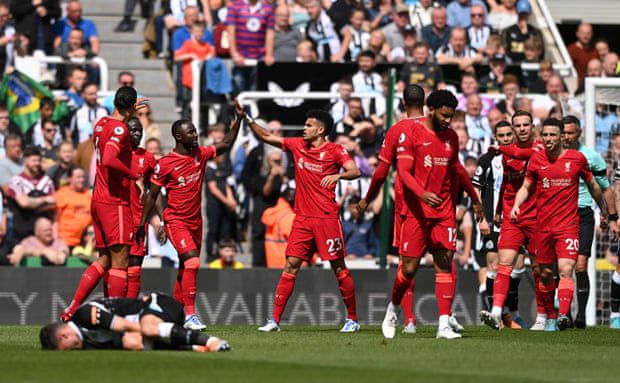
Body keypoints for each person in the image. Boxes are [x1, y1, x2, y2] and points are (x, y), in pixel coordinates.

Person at [243, 107, 362, 333]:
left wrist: (338, 175)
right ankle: (275, 321)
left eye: (308, 125)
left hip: (326, 218)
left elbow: (354, 171)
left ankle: (353, 319)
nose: (304, 129)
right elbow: (267, 136)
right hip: (303, 219)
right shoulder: (297, 145)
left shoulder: (336, 150)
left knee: (339, 268)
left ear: (321, 129)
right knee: (291, 265)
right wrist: (247, 119)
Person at [380, 89, 483, 340]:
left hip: (444, 211)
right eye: (444, 115)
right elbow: (403, 172)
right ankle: (393, 308)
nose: (448, 120)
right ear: (431, 109)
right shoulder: (411, 134)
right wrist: (422, 193)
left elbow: (457, 168)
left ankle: (443, 325)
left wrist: (474, 198)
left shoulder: (451, 137)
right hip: (416, 211)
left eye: (451, 116)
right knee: (409, 268)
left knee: (445, 263)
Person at [138, 105, 243, 330]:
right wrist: (147, 223)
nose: (195, 135)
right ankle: (190, 315)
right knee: (193, 262)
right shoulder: (166, 163)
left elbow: (224, 144)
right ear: (178, 136)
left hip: (196, 221)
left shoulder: (200, 154)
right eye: (191, 132)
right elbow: (152, 194)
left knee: (186, 268)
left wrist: (239, 118)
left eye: (195, 131)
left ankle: (175, 312)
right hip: (176, 220)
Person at [510, 118, 609, 331]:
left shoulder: (577, 159)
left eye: (552, 135)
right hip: (543, 226)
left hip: (568, 225)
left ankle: (564, 315)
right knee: (544, 274)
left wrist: (604, 209)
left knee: (566, 269)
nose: (548, 139)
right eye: (545, 135)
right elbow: (526, 187)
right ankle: (552, 317)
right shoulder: (536, 160)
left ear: (561, 136)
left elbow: (593, 186)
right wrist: (517, 204)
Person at [60, 86, 147, 322]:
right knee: (120, 262)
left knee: (105, 260)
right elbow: (109, 159)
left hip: (98, 198)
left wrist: (129, 110)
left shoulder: (101, 123)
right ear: (129, 107)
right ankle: (115, 317)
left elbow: (112, 131)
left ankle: (73, 307)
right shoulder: (120, 129)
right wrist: (133, 175)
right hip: (115, 201)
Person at [479, 110, 548, 331]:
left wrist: (500, 148)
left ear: (532, 126)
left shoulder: (539, 148)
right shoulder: (504, 156)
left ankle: (544, 316)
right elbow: (505, 185)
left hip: (537, 216)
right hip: (513, 217)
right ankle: (497, 313)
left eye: (525, 125)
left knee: (540, 269)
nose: (521, 129)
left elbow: (524, 154)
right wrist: (498, 209)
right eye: (517, 125)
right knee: (504, 263)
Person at [561, 115, 618, 328]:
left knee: (581, 264)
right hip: (558, 215)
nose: (566, 137)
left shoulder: (591, 157)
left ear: (579, 133)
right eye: (563, 132)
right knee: (560, 266)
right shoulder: (552, 155)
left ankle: (581, 315)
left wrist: (610, 217)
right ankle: (561, 313)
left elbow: (605, 188)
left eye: (570, 132)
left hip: (583, 213)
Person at [471, 120, 527, 328]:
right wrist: (481, 218)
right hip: (491, 223)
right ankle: (501, 316)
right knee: (494, 266)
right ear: (496, 137)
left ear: (513, 135)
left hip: (514, 221)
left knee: (518, 266)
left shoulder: (521, 157)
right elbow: (475, 189)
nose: (505, 139)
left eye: (508, 135)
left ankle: (510, 311)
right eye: (501, 136)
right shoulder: (487, 160)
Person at [40, 293, 230, 352]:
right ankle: (194, 348)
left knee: (145, 329)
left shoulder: (83, 315)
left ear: (63, 335)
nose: (70, 352)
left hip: (159, 304)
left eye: (65, 349)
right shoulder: (88, 341)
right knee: (131, 342)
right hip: (160, 323)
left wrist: (160, 331)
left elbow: (123, 325)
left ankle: (210, 341)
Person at [127, 117, 158, 299]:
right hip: (118, 217)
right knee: (117, 264)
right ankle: (114, 307)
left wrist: (160, 220)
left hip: (139, 218)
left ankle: (129, 308)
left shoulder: (147, 158)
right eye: (133, 130)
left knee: (136, 263)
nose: (137, 133)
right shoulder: (113, 155)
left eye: (139, 130)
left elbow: (155, 190)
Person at [7, 146, 55, 242]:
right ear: (25, 161)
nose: (37, 163)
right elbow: (24, 203)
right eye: (33, 161)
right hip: (22, 230)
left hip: (44, 231)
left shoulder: (47, 180)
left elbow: (54, 203)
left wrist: (32, 203)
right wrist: (45, 200)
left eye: (39, 160)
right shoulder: (16, 181)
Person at [225, 0, 275, 91]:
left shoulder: (268, 8)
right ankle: (238, 106)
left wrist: (269, 54)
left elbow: (270, 33)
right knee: (238, 92)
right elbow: (230, 32)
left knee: (255, 92)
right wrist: (234, 54)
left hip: (259, 59)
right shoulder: (235, 7)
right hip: (240, 59)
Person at [55, 167, 92, 250]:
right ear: (70, 179)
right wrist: (55, 240)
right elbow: (55, 220)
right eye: (78, 177)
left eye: (83, 177)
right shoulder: (62, 194)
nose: (82, 180)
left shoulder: (88, 194)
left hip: (85, 242)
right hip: (65, 241)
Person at [262, 180, 296, 269]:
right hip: (290, 267)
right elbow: (299, 245)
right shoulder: (290, 217)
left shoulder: (271, 213)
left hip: (273, 264)